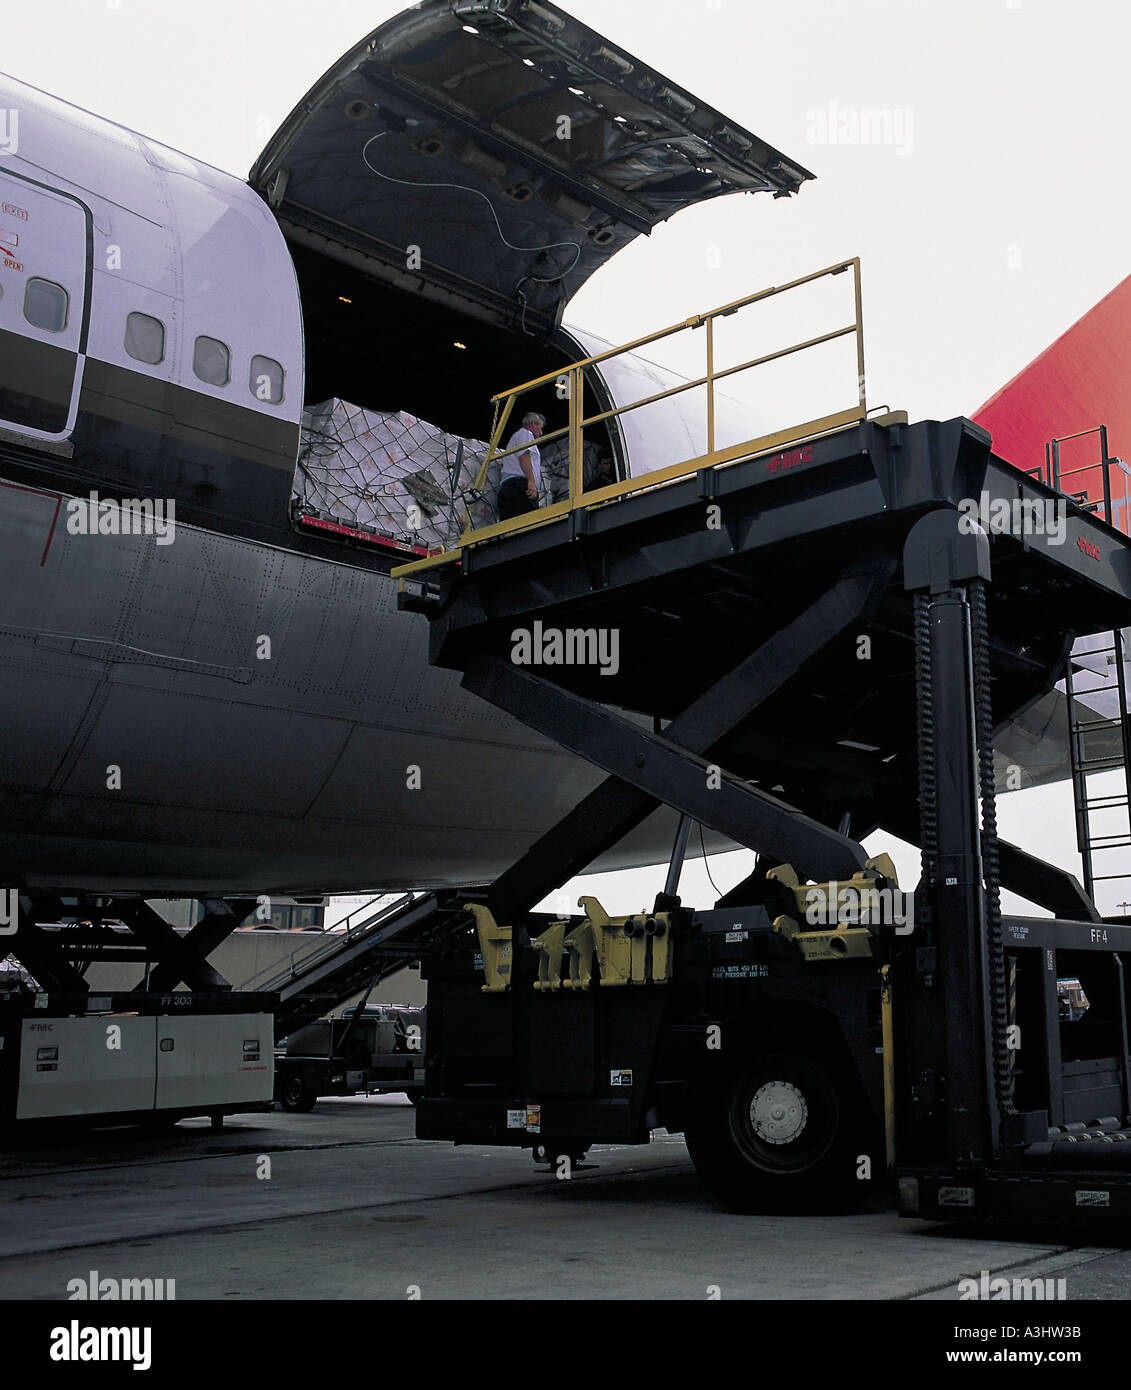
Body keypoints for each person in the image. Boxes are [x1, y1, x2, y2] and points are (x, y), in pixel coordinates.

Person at [497, 412, 545, 520]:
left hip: (510, 487)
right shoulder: (526, 434)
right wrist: (531, 482)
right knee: (527, 525)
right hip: (520, 487)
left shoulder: (516, 437)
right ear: (533, 424)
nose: (541, 433)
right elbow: (524, 457)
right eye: (540, 428)